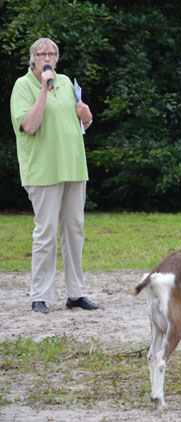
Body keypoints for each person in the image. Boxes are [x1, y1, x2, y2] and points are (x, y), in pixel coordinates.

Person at [10, 38, 100, 314]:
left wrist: (87, 116)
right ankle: (40, 295)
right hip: (43, 171)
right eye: (42, 53)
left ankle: (76, 293)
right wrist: (43, 91)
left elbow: (81, 123)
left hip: (73, 167)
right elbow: (30, 125)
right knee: (46, 232)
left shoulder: (65, 82)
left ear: (57, 58)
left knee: (74, 230)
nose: (47, 57)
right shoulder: (23, 86)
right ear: (33, 59)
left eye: (51, 53)